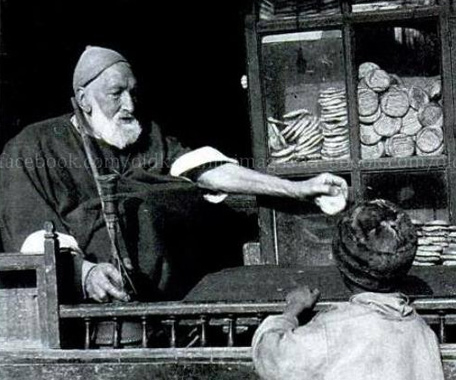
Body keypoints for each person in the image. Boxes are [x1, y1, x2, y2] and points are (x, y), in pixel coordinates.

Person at [0, 46, 348, 303]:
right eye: (116, 94)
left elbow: (209, 172)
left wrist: (299, 188)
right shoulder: (34, 146)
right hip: (87, 306)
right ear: (83, 98)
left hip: (163, 300)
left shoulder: (143, 135)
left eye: (133, 93)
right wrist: (85, 273)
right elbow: (30, 232)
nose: (130, 106)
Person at [252, 199, 444, 380]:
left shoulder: (333, 329)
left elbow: (271, 358)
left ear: (341, 266)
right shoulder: (423, 333)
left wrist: (292, 309)